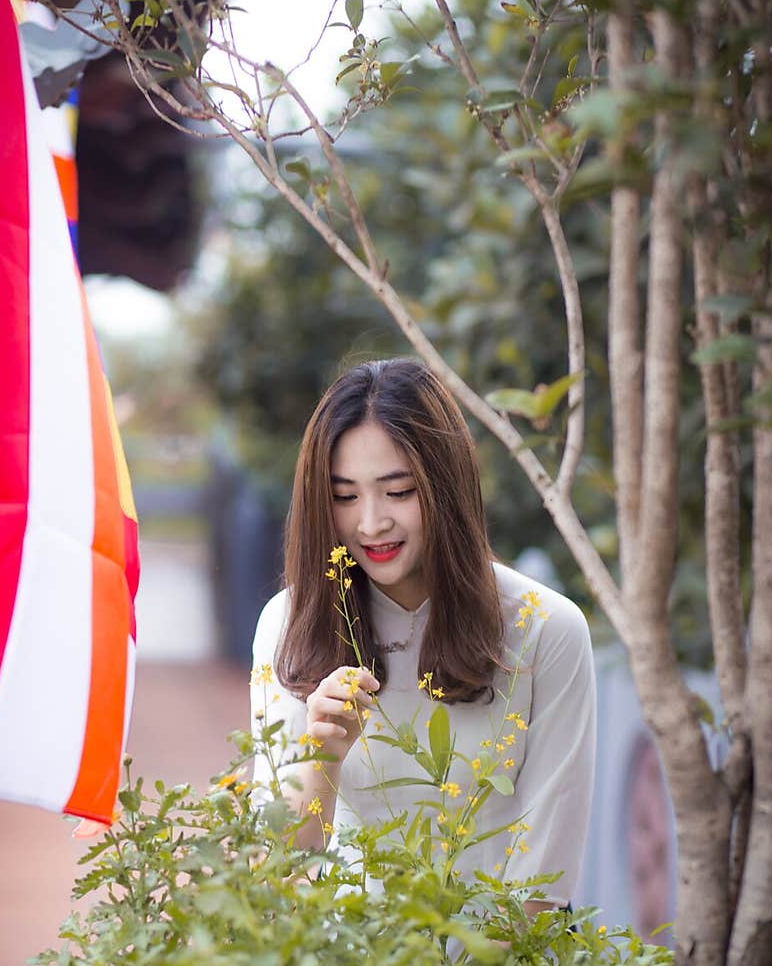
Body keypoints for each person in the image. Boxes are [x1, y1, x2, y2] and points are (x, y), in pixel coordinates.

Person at [249, 357, 597, 915]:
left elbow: (543, 883)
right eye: (344, 496)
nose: (371, 523)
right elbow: (273, 879)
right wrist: (323, 759)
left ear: (445, 485)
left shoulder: (544, 628)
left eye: (398, 491)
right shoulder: (291, 624)